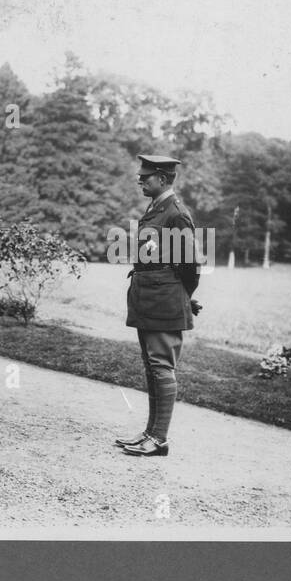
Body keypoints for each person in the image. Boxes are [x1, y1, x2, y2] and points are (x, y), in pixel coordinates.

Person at [117, 153, 201, 458]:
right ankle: (150, 433)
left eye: (146, 176)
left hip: (164, 301)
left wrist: (183, 296)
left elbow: (190, 265)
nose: (140, 180)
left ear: (163, 179)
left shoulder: (176, 213)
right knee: (153, 368)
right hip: (150, 297)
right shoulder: (158, 208)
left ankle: (159, 439)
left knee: (162, 368)